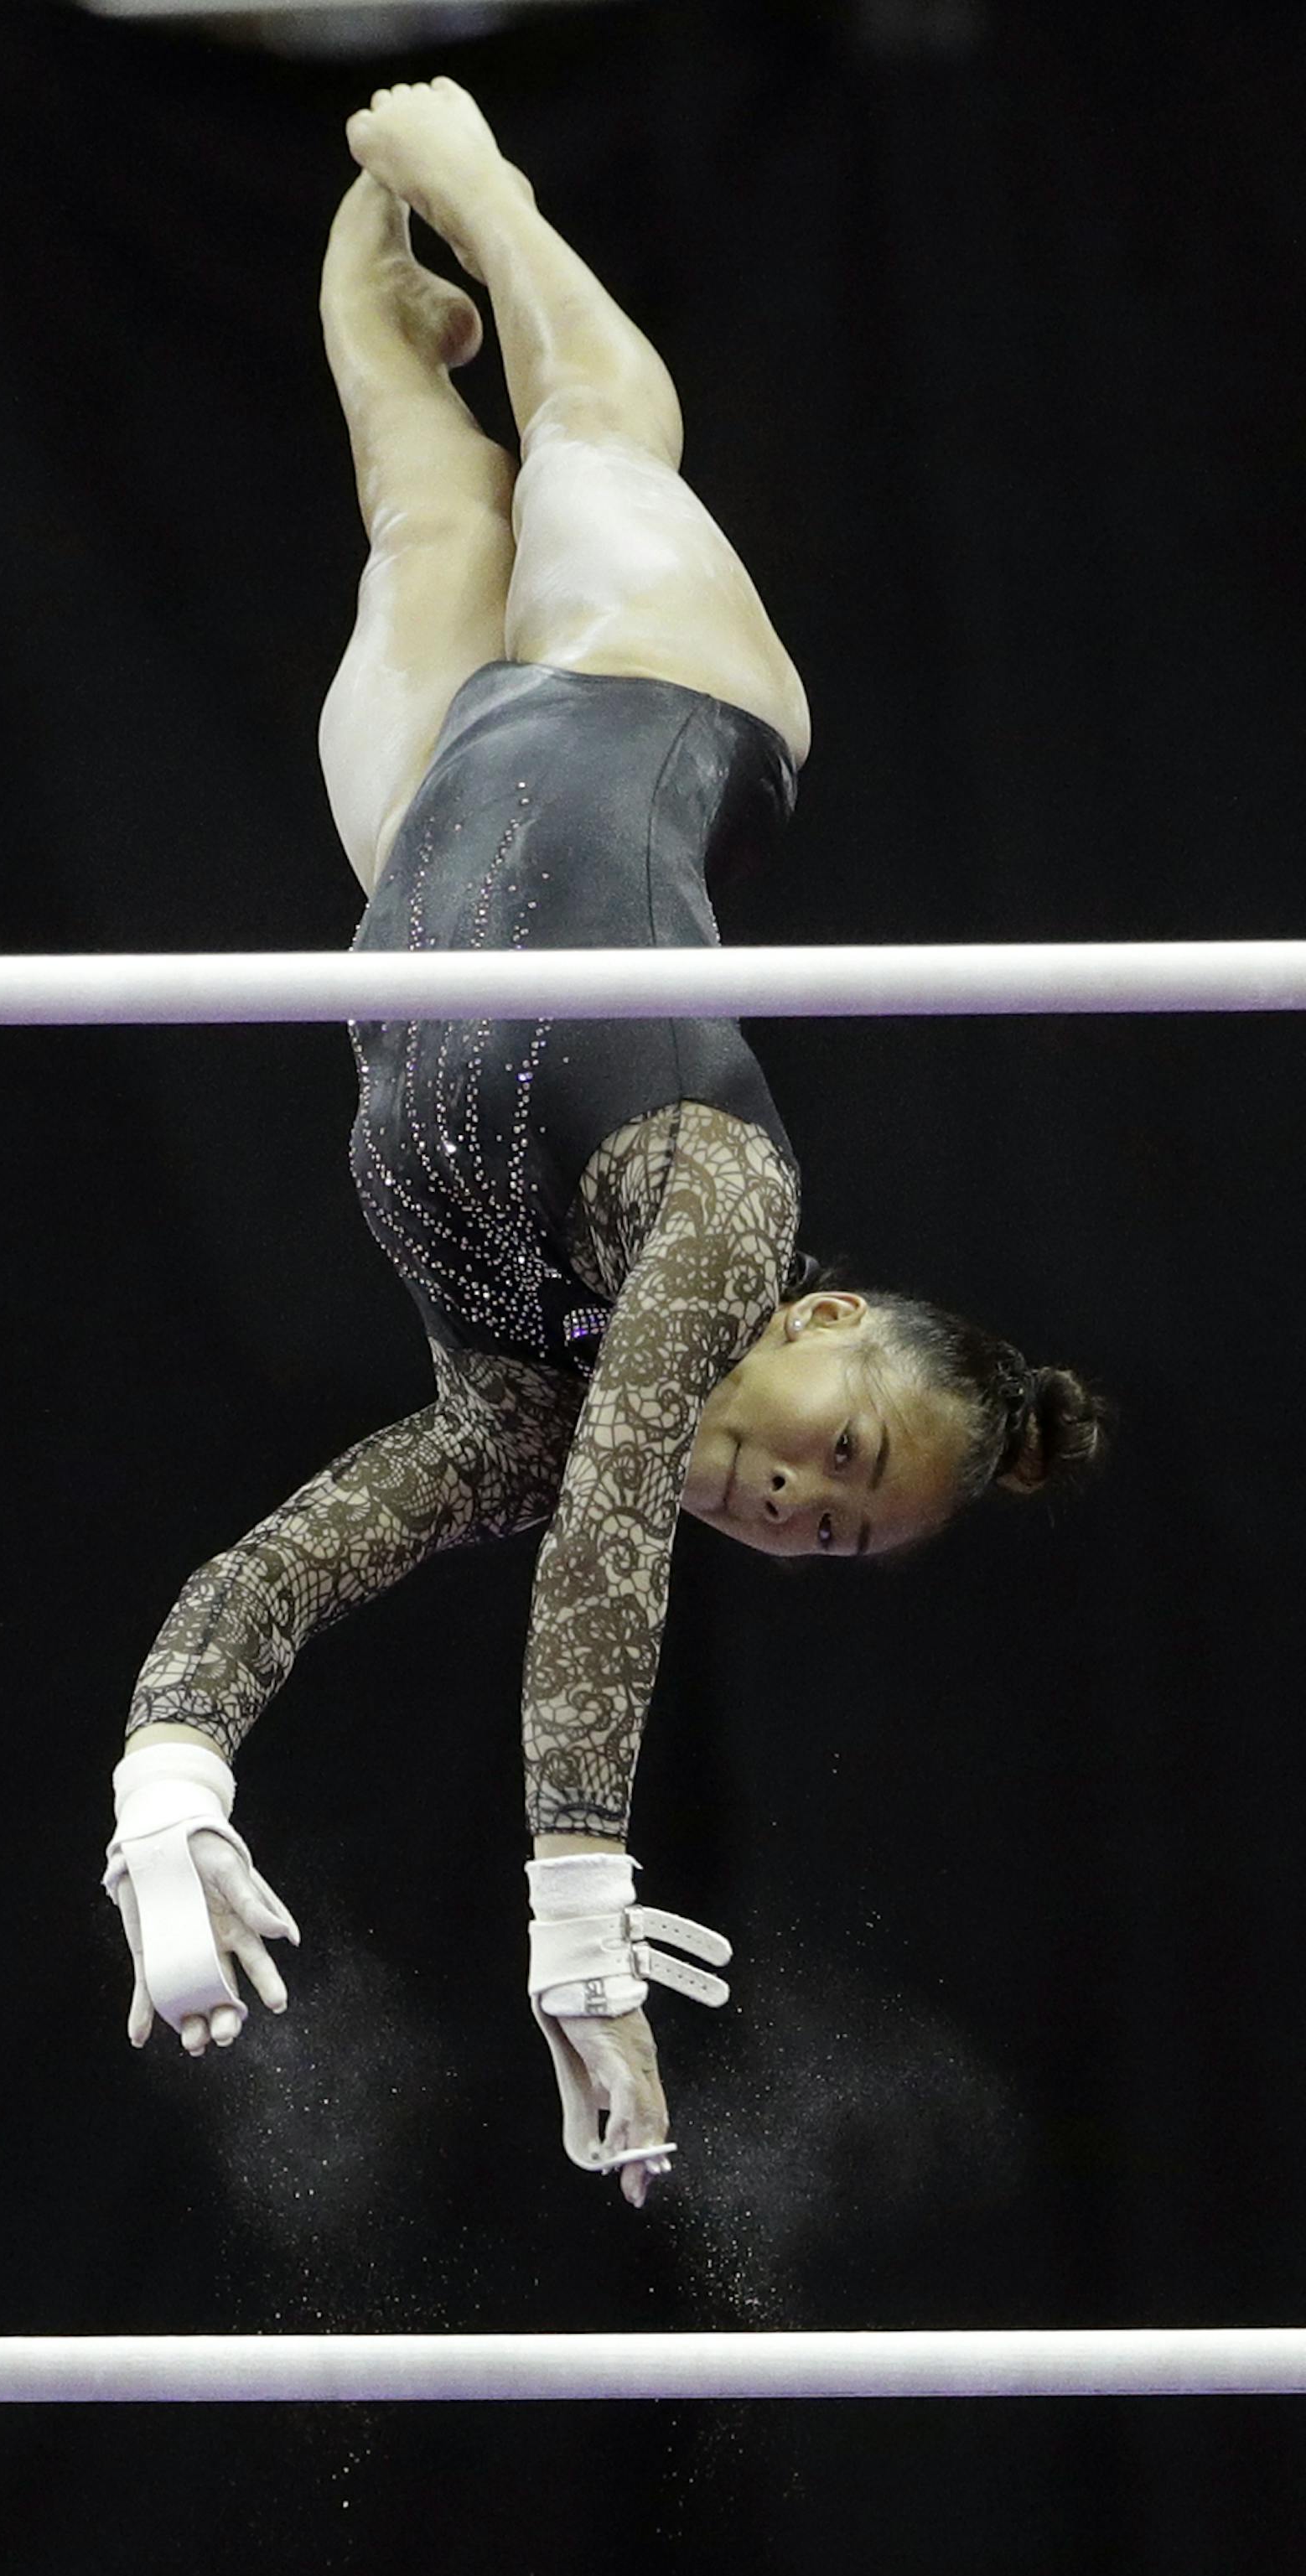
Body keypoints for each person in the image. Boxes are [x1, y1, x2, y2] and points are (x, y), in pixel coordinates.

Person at [105, 79, 1106, 2206]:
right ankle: (476, 173)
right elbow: (612, 1542)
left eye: (825, 1532)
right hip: (649, 707)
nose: (787, 1491)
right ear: (821, 1314)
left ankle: (370, 235)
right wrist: (579, 1905)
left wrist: (169, 1778)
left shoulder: (511, 1417)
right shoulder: (721, 1202)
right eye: (846, 1449)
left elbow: (286, 1560)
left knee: (415, 500)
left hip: (418, 862)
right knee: (584, 443)